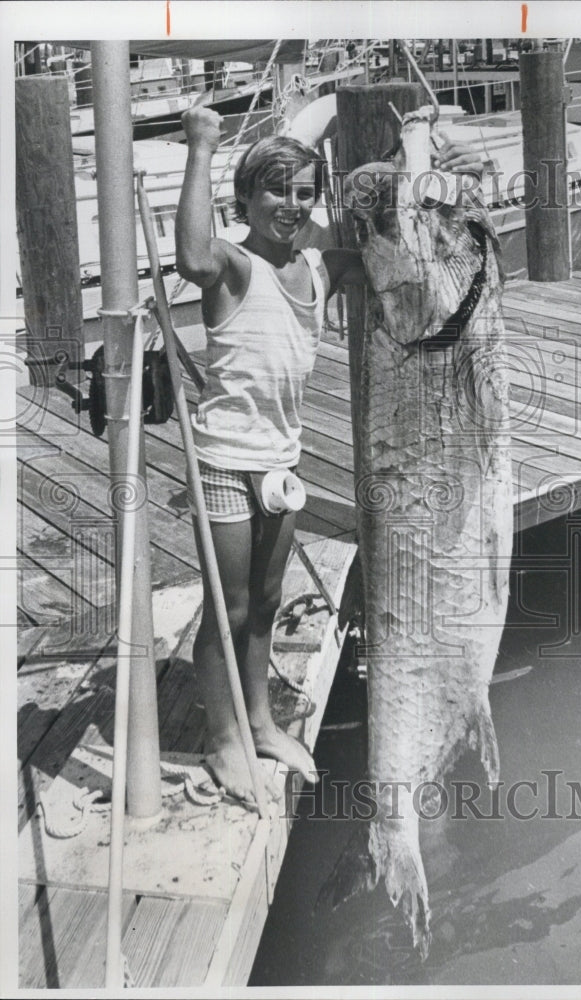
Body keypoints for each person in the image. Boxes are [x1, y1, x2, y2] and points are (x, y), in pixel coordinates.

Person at [176, 106, 484, 800]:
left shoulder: (320, 266)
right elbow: (190, 256)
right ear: (246, 199)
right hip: (226, 459)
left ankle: (257, 724)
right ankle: (224, 743)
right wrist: (201, 147)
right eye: (275, 191)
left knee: (264, 601)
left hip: (281, 463)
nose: (290, 205)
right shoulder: (232, 264)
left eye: (304, 192)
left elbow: (400, 254)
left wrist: (429, 161)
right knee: (225, 611)